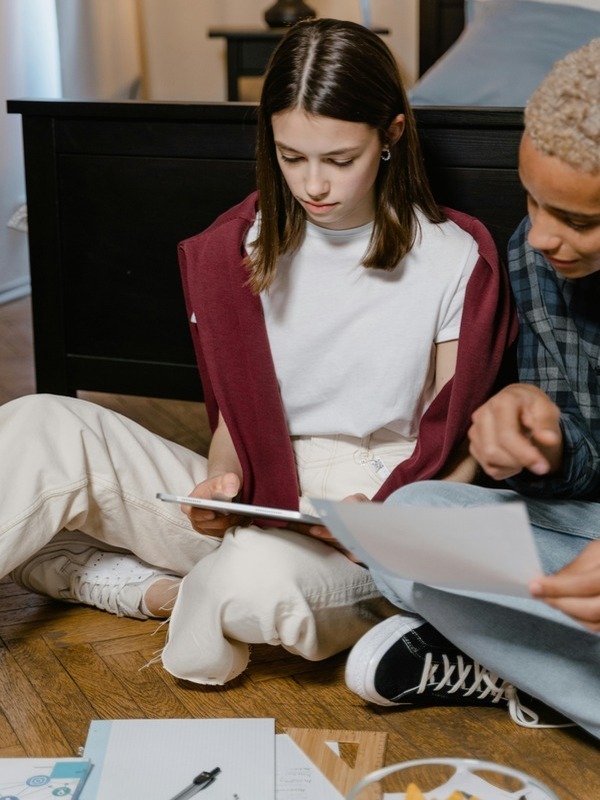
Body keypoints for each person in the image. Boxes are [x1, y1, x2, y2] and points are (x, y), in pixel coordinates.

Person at [2, 19, 515, 685]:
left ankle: (133, 585)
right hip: (263, 498)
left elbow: (465, 445)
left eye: (339, 160)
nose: (314, 186)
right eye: (290, 156)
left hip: (371, 528)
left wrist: (391, 527)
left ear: (391, 134)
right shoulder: (237, 246)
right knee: (39, 426)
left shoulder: (454, 258)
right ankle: (152, 582)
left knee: (252, 582)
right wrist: (219, 490)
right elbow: (233, 424)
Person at [343, 37, 600, 740]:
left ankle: (522, 662)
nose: (543, 236)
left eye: (580, 220)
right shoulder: (539, 257)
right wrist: (543, 433)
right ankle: (541, 668)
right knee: (411, 526)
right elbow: (586, 464)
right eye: (533, 201)